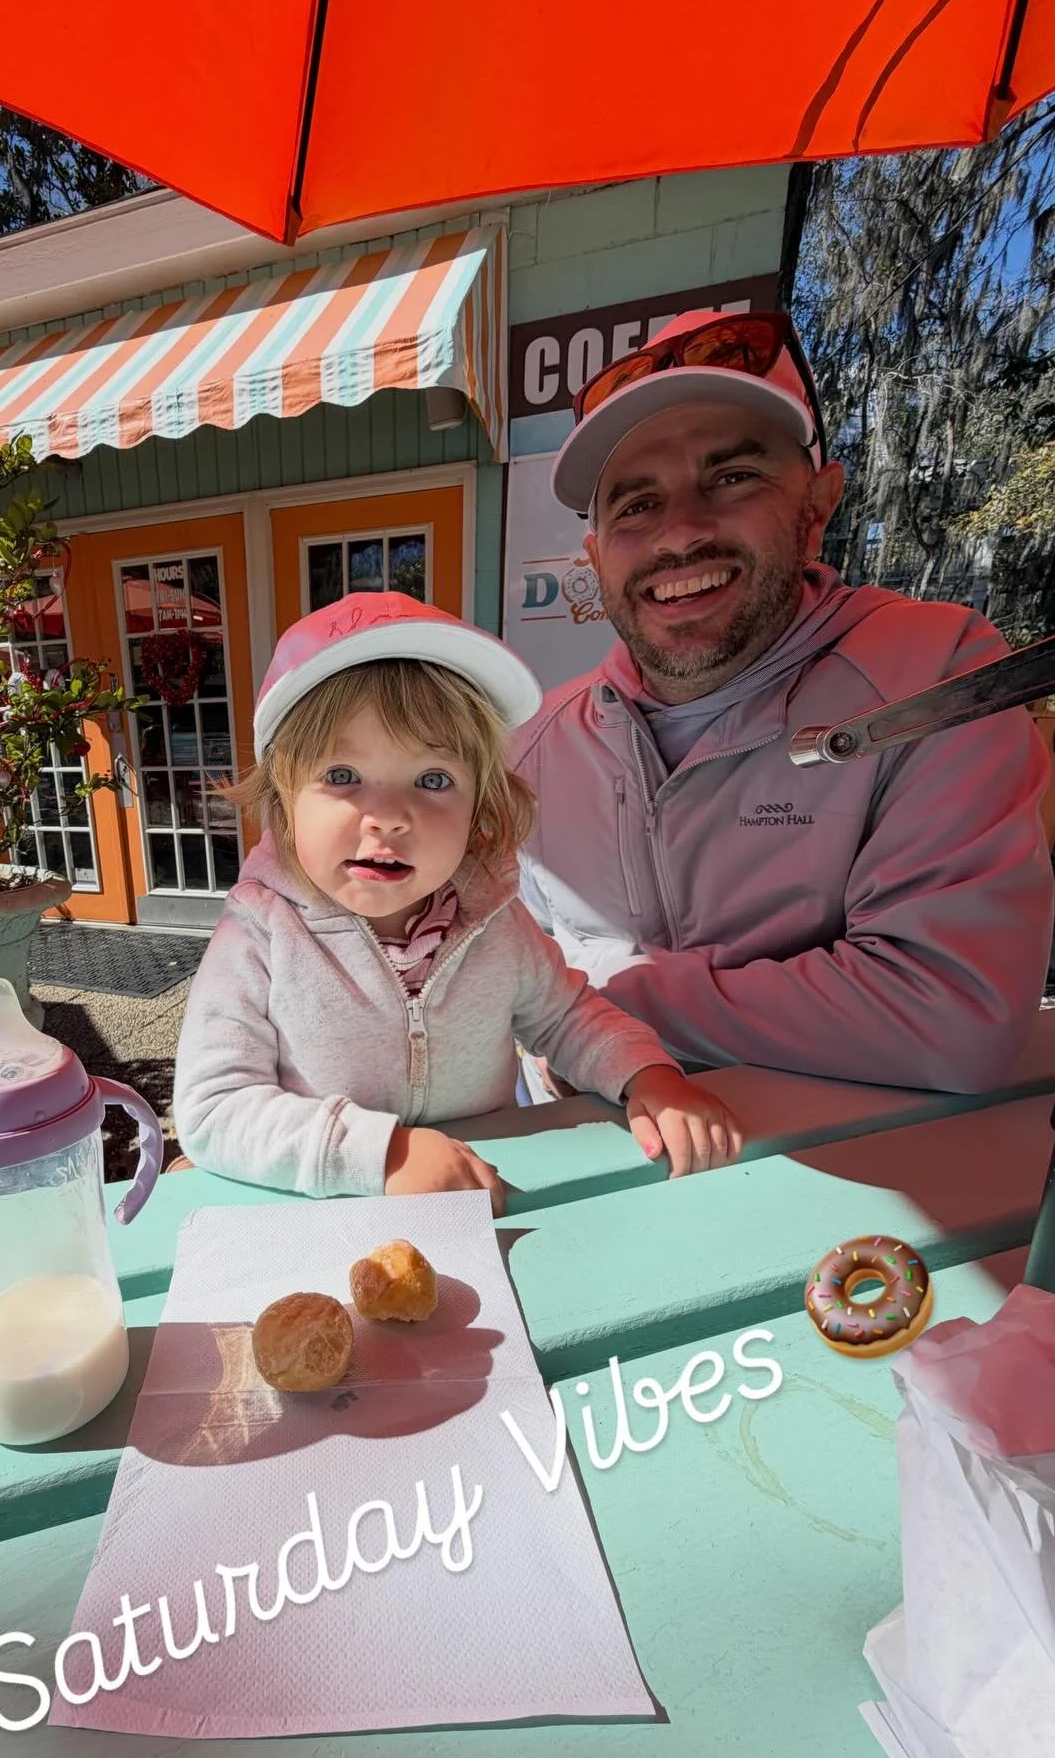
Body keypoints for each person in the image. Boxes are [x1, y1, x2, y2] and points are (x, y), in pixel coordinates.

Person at [513, 308, 1054, 1095]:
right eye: (635, 504)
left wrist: (591, 992)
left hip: (860, 1189)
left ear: (818, 504)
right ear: (595, 555)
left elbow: (949, 1015)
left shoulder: (937, 677)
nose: (679, 535)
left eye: (732, 478)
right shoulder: (531, 747)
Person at [172, 592, 743, 1206]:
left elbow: (566, 1016)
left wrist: (646, 1075)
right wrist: (383, 1153)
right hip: (330, 1209)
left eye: (433, 780)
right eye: (342, 776)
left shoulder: (493, 918)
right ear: (282, 802)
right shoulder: (259, 934)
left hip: (491, 1188)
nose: (389, 817)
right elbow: (214, 1110)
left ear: (480, 809)